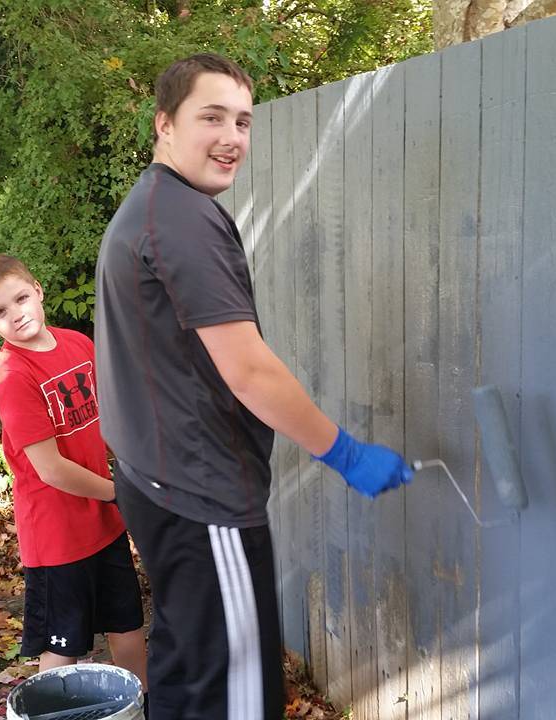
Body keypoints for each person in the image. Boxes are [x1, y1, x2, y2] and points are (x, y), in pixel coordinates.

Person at [94, 53, 412, 720]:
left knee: (189, 665)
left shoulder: (152, 208)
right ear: (165, 124)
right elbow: (251, 370)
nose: (233, 136)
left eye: (242, 120)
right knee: (237, 694)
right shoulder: (180, 220)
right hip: (200, 496)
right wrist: (345, 454)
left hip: (159, 482)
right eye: (212, 117)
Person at [0, 254, 148, 699]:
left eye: (21, 298)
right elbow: (51, 469)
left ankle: (144, 706)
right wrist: (121, 492)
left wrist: (135, 473)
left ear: (39, 291)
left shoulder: (77, 345)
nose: (16, 314)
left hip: (104, 524)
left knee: (128, 627)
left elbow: (109, 424)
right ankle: (49, 710)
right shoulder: (13, 376)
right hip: (58, 537)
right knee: (63, 647)